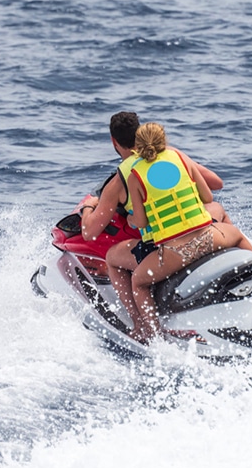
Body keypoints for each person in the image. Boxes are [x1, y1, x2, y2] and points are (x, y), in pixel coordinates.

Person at [77, 112, 231, 338]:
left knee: (113, 258)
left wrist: (88, 207)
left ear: (114, 141)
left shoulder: (121, 179)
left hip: (166, 245)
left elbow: (90, 233)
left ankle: (141, 327)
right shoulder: (172, 154)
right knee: (217, 210)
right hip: (201, 231)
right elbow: (216, 184)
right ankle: (231, 251)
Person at [126, 122, 252, 342]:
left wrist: (130, 218)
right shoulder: (180, 158)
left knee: (138, 282)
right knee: (237, 235)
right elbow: (208, 198)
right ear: (163, 140)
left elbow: (140, 221)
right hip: (211, 238)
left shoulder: (135, 176)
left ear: (137, 147)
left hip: (176, 253)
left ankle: (155, 337)